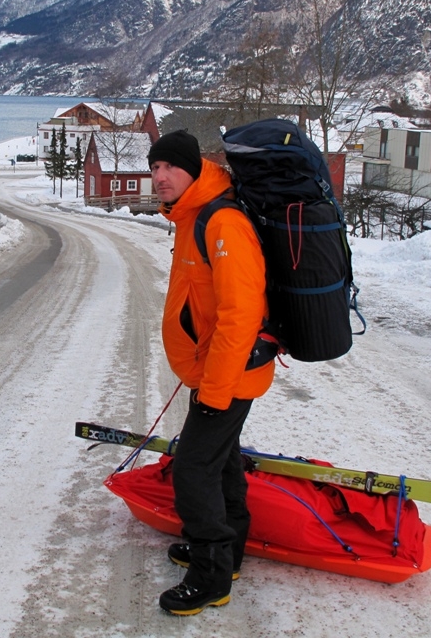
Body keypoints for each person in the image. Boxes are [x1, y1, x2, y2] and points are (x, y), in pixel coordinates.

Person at [147, 129, 275, 616]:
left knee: (193, 469)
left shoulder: (222, 222)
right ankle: (229, 553)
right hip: (216, 371)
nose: (160, 176)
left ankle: (210, 577)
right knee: (220, 462)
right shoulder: (191, 215)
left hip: (230, 375)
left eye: (170, 166)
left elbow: (240, 316)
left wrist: (215, 391)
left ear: (195, 168)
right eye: (155, 167)